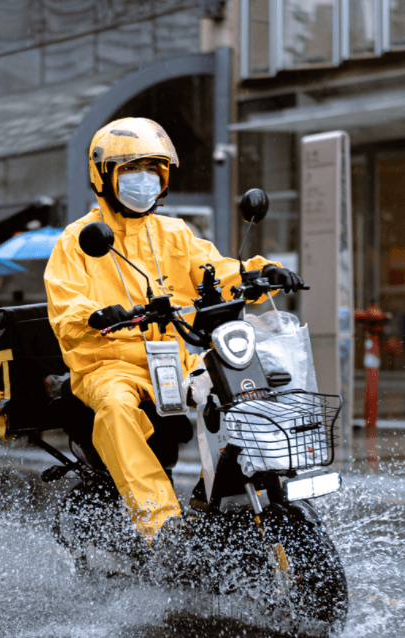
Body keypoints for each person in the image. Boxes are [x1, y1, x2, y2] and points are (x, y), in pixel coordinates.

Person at [44, 117, 303, 549]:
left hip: (172, 363)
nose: (142, 180)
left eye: (152, 169)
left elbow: (216, 271)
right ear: (103, 176)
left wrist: (261, 272)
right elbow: (66, 306)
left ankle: (241, 496)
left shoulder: (174, 233)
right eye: (129, 169)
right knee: (116, 408)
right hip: (108, 367)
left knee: (243, 386)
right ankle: (161, 525)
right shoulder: (77, 241)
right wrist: (96, 315)